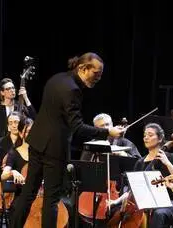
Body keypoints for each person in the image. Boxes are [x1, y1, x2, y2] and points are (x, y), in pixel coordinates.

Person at [10, 52, 125, 228]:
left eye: (101, 74)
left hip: (37, 142)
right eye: (96, 73)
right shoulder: (73, 90)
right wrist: (107, 131)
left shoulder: (57, 78)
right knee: (51, 199)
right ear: (83, 68)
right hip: (54, 149)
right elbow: (77, 127)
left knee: (28, 193)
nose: (98, 78)